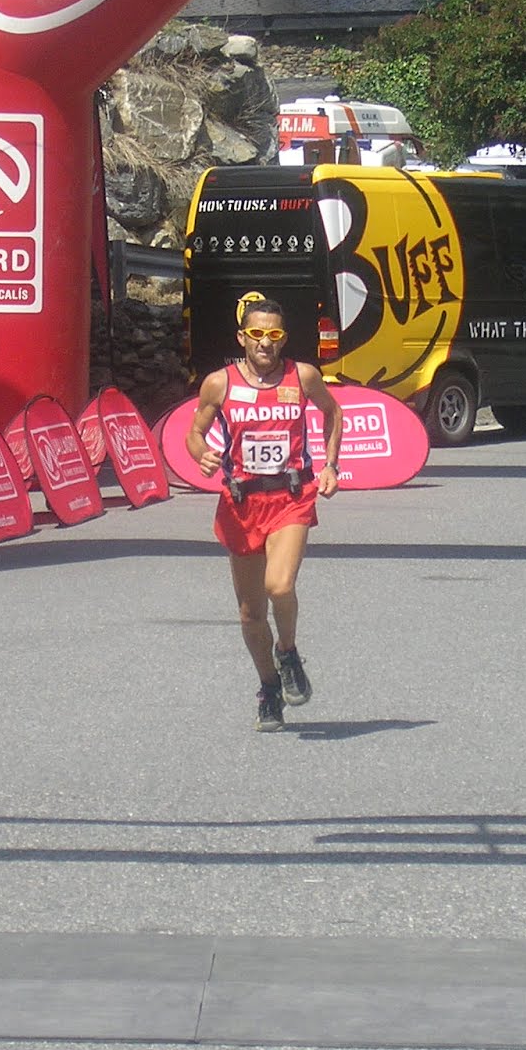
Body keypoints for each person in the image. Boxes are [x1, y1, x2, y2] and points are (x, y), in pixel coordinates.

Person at [187, 293, 342, 732]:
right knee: (250, 614)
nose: (265, 342)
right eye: (256, 334)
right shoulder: (219, 383)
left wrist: (330, 465)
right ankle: (269, 687)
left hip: (291, 496)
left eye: (273, 335)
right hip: (241, 503)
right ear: (242, 337)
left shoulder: (302, 376)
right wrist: (201, 455)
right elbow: (195, 432)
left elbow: (333, 413)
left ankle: (288, 653)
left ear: (283, 338)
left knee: (279, 584)